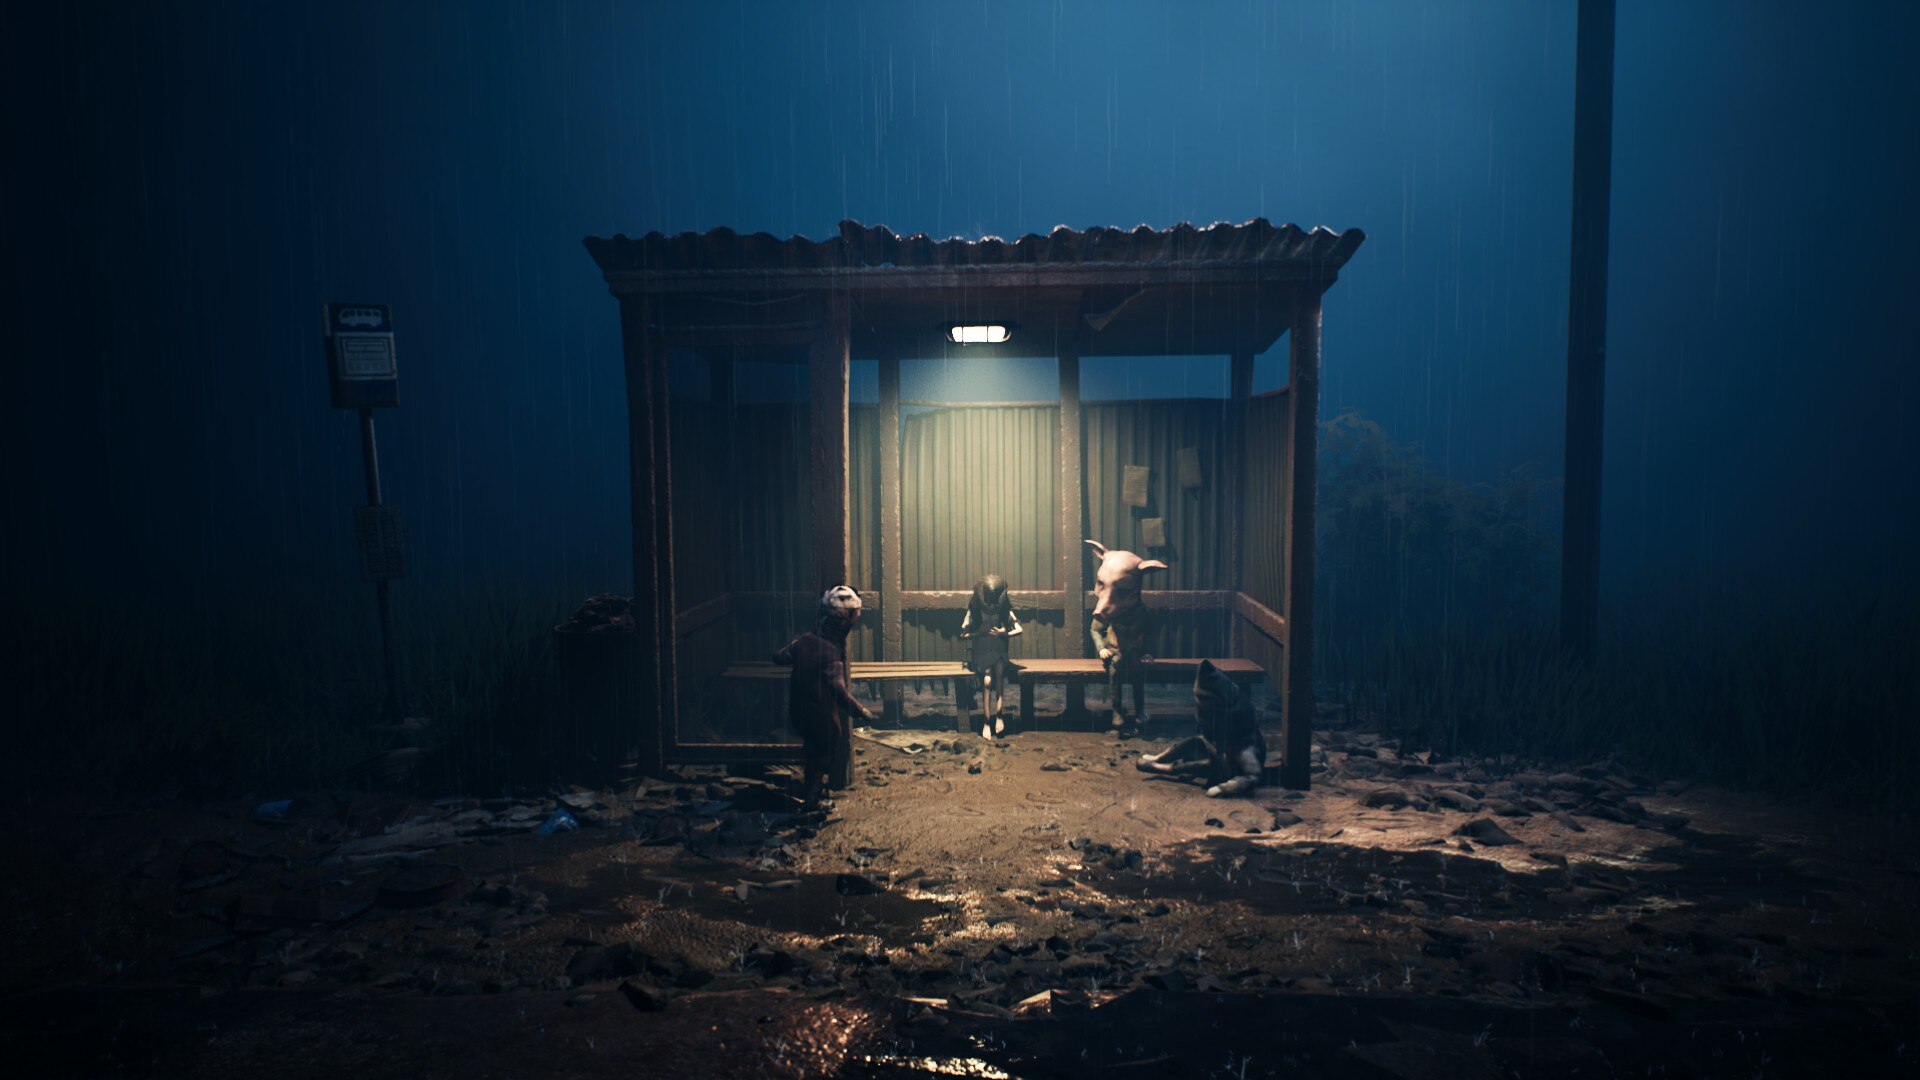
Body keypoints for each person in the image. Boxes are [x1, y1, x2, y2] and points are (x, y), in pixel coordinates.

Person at [773, 585, 874, 810]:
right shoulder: (831, 652)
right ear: (846, 618)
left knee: (813, 755)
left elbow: (779, 657)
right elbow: (838, 690)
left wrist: (798, 646)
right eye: (856, 613)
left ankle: (812, 795)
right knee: (820, 758)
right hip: (821, 716)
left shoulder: (806, 640)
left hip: (797, 711)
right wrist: (861, 711)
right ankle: (813, 802)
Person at [1135, 659, 1266, 797]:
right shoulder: (1208, 712)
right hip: (1219, 746)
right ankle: (1159, 759)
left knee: (1209, 764)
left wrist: (1226, 787)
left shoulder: (1239, 713)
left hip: (1239, 748)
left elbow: (1253, 774)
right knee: (1195, 742)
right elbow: (1206, 735)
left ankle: (1163, 768)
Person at [960, 573, 1024, 740]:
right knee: (987, 682)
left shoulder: (1004, 610)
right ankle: (987, 721)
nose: (991, 604)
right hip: (981, 653)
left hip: (999, 652)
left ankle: (999, 716)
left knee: (1000, 676)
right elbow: (963, 634)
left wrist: (1005, 632)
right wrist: (978, 633)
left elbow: (1019, 629)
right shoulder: (974, 610)